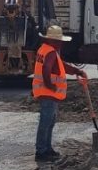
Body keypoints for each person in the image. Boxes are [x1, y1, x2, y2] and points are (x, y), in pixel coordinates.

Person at [33, 25, 86, 162]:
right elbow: (46, 69)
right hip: (48, 93)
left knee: (49, 122)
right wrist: (50, 86)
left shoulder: (45, 50)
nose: (61, 43)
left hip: (47, 93)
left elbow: (60, 65)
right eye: (59, 41)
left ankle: (47, 148)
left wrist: (76, 71)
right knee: (46, 122)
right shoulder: (50, 52)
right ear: (53, 41)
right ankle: (41, 151)